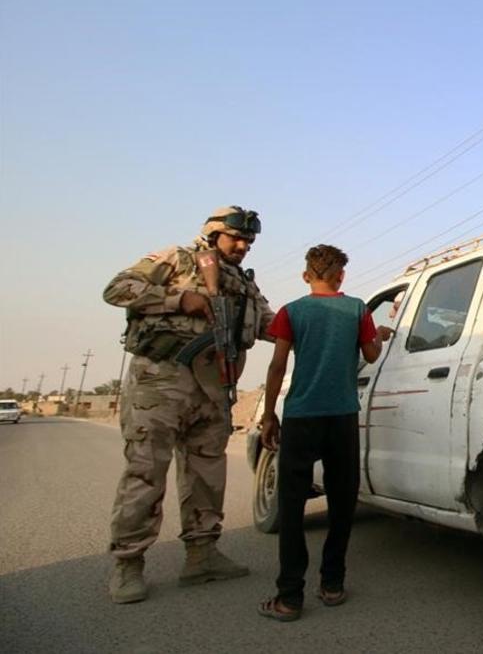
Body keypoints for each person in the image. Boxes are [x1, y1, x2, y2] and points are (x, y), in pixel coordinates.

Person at [102, 206, 273, 603]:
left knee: (206, 473)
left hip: (214, 388)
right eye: (236, 238)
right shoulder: (177, 259)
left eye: (249, 240)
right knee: (146, 473)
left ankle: (202, 554)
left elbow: (270, 323)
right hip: (161, 383)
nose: (244, 246)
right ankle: (128, 564)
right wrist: (180, 299)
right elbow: (116, 289)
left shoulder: (245, 286)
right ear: (214, 234)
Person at [256, 244, 390, 621]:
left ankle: (289, 598)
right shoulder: (358, 310)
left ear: (306, 276)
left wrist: (270, 415)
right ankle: (332, 584)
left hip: (301, 416)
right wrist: (377, 333)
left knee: (293, 505)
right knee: (342, 503)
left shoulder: (291, 312)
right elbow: (372, 354)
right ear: (341, 276)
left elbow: (277, 367)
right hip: (342, 417)